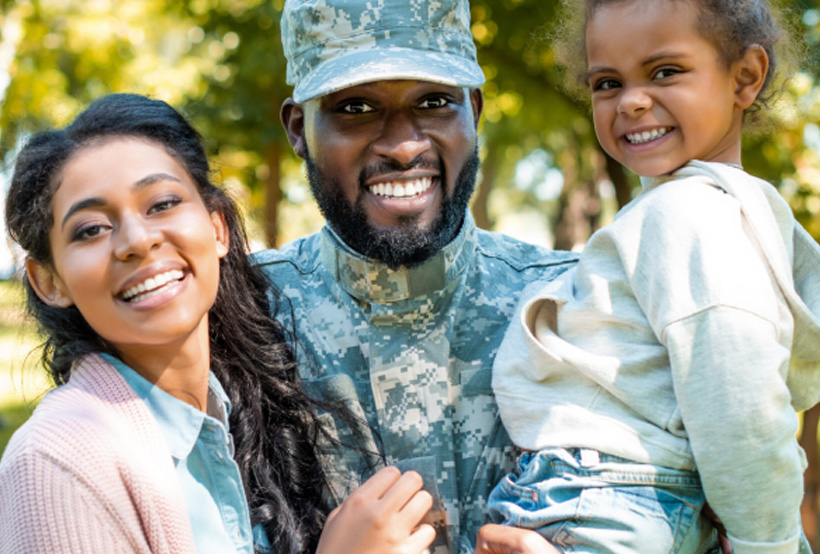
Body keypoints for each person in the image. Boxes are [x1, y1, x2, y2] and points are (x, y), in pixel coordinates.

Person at [0, 93, 436, 554]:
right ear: (49, 281)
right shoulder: (56, 464)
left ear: (218, 228)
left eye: (162, 203)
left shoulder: (238, 421)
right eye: (91, 229)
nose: (137, 240)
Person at [486, 0, 820, 553]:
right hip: (641, 503)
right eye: (607, 83)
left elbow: (740, 405)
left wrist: (772, 546)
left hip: (607, 498)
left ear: (746, 76)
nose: (632, 101)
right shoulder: (723, 214)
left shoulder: (687, 214)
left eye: (665, 72)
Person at [252, 0, 578, 552]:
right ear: (298, 129)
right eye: (355, 107)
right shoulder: (243, 320)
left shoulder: (568, 305)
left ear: (473, 110)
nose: (403, 145)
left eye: (434, 102)